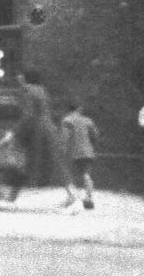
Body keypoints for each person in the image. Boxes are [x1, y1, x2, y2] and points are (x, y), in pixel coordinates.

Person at [15, 69, 79, 210]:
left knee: (22, 159)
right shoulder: (41, 90)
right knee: (57, 161)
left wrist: (18, 132)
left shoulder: (28, 90)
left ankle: (10, 195)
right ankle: (72, 194)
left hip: (37, 130)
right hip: (48, 128)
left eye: (21, 75)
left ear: (26, 78)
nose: (18, 77)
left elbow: (29, 114)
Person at [61, 99, 99, 210]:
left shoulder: (67, 120)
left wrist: (62, 150)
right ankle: (89, 198)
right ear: (79, 108)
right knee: (86, 175)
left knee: (68, 176)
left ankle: (72, 198)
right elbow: (95, 135)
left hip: (73, 153)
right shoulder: (88, 121)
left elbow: (65, 137)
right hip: (88, 152)